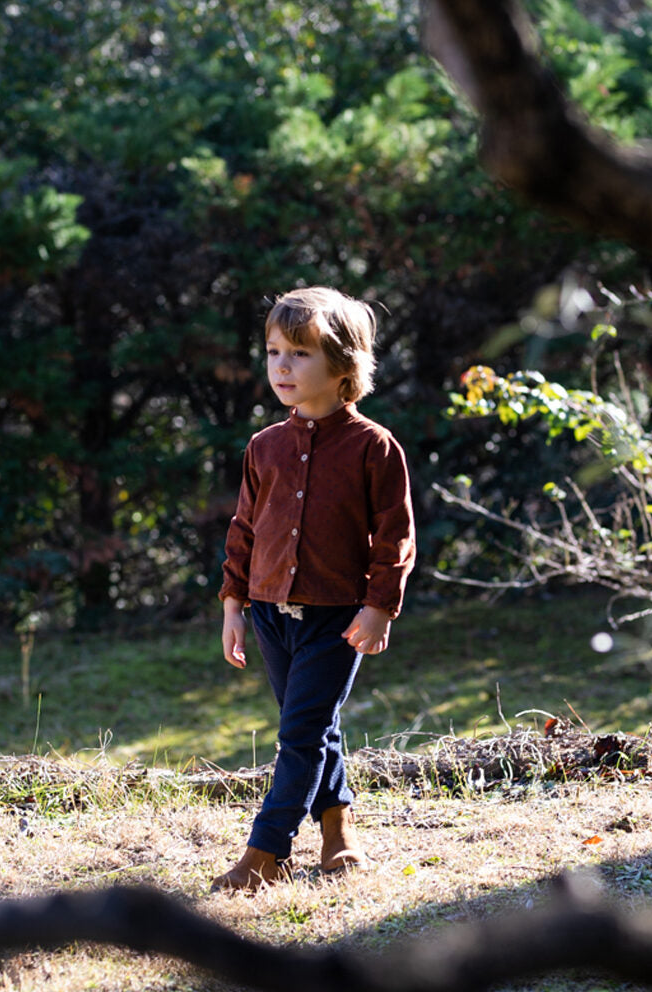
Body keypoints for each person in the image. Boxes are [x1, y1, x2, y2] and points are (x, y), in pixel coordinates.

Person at [211, 286, 416, 893]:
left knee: (298, 734)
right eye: (274, 350)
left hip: (338, 619)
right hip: (271, 613)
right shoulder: (264, 446)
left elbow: (394, 535)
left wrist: (379, 607)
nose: (281, 365)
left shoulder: (374, 447)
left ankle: (266, 852)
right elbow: (244, 529)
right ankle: (337, 828)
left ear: (344, 364)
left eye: (299, 353)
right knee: (314, 728)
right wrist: (233, 605)